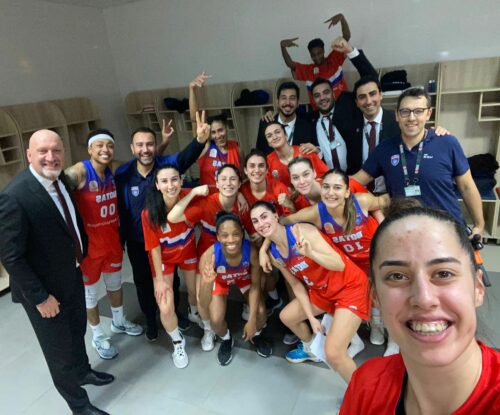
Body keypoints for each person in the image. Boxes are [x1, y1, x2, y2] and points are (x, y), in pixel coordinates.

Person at [340, 206, 500, 414]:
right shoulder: (365, 384)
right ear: (375, 295)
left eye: (443, 273)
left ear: (478, 287)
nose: (424, 299)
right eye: (397, 276)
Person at [0, 130, 113, 415]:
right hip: (43, 290)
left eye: (56, 150)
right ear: (29, 155)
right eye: (43, 151)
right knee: (59, 351)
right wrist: (40, 298)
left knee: (77, 330)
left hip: (71, 275)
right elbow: (11, 257)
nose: (50, 157)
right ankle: (79, 405)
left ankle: (83, 372)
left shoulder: (60, 179)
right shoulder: (14, 196)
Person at [283, 168, 399, 356]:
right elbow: (282, 223)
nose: (330, 192)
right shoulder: (315, 213)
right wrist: (264, 249)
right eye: (326, 187)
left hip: (377, 257)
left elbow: (387, 200)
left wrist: (388, 228)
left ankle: (394, 340)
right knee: (357, 296)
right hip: (352, 265)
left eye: (337, 187)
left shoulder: (361, 201)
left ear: (347, 192)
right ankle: (375, 327)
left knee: (386, 296)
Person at [250, 201, 370, 383]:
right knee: (287, 317)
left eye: (264, 216)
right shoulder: (274, 253)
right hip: (322, 291)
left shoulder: (302, 231)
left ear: (275, 216)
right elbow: (296, 285)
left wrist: (311, 253)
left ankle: (361, 396)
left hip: (349, 287)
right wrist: (311, 318)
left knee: (334, 353)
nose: (261, 223)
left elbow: (339, 264)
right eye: (255, 221)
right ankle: (311, 349)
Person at [115, 112, 209, 341]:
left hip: (166, 241)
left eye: (149, 144)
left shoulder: (165, 167)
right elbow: (121, 207)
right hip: (137, 240)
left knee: (171, 280)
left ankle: (176, 313)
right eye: (140, 145)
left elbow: (185, 158)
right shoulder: (123, 173)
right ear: (132, 148)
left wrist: (199, 140)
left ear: (155, 146)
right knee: (142, 281)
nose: (145, 149)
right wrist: (121, 237)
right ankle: (150, 318)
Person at [352, 86, 485, 238]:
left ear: (428, 113)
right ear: (397, 115)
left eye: (418, 111)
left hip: (448, 232)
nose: (411, 118)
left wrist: (479, 225)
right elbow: (355, 181)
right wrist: (329, 182)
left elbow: (467, 187)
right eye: (405, 111)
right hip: (406, 234)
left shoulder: (447, 143)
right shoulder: (384, 149)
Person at [65, 129, 143, 360]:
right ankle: (97, 335)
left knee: (115, 285)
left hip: (112, 243)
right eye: (99, 145)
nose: (105, 150)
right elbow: (57, 186)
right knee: (90, 294)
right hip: (89, 249)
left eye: (109, 145)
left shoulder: (114, 169)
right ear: (90, 149)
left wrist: (164, 143)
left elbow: (145, 161)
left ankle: (118, 322)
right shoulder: (79, 172)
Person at [141, 164, 200, 368]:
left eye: (174, 179)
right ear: (157, 185)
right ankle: (177, 342)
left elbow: (217, 192)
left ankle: (193, 312)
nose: (170, 185)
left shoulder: (191, 196)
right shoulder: (149, 213)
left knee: (196, 293)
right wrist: (159, 280)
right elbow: (154, 248)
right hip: (164, 259)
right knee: (165, 305)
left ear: (181, 180)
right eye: (164, 181)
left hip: (188, 252)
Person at [198, 212, 271, 365]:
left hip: (243, 278)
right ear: (218, 237)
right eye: (225, 235)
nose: (231, 240)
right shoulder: (209, 257)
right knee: (215, 321)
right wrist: (206, 282)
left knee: (261, 313)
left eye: (235, 234)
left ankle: (256, 335)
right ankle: (226, 339)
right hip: (221, 281)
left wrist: (252, 321)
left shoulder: (251, 251)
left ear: (242, 234)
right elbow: (203, 303)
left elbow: (256, 286)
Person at [280, 13, 351, 108]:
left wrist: (342, 19)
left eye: (319, 53)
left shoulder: (334, 58)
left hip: (344, 107)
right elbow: (290, 64)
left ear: (324, 51)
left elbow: (346, 37)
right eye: (313, 55)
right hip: (320, 112)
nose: (317, 57)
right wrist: (283, 47)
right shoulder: (308, 70)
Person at [189, 72, 241, 192]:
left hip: (231, 198)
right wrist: (192, 90)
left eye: (220, 130)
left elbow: (241, 177)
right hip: (209, 199)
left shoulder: (237, 148)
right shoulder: (205, 147)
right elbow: (194, 119)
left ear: (226, 128)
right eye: (213, 132)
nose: (218, 135)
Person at [256, 81, 318, 155]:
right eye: (284, 98)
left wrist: (316, 150)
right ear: (277, 102)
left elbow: (316, 149)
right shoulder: (265, 123)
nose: (288, 102)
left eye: (292, 98)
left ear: (298, 103)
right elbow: (259, 153)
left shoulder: (307, 125)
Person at [265, 121, 328, 189]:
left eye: (277, 132)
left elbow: (327, 176)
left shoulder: (305, 151)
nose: (274, 137)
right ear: (268, 143)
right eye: (269, 136)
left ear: (286, 135)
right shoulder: (268, 162)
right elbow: (269, 188)